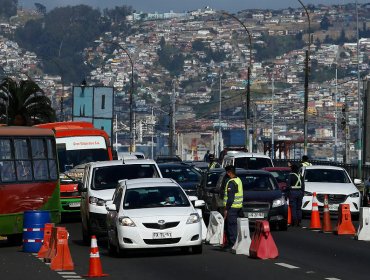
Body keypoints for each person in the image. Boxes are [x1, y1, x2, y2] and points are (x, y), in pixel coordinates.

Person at [223, 165, 243, 249]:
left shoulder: (231, 182)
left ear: (229, 172)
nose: (226, 175)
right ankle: (234, 243)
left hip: (232, 208)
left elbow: (230, 199)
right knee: (234, 226)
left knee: (231, 227)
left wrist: (226, 209)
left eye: (227, 173)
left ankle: (232, 244)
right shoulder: (238, 180)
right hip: (238, 207)